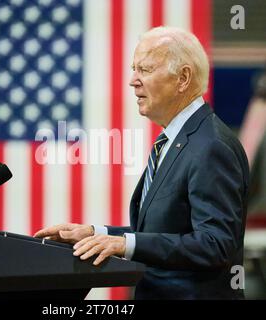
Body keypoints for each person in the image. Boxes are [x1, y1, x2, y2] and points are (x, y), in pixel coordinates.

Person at [34, 26, 249, 300]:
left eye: (145, 70)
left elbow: (215, 244)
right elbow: (164, 233)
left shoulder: (210, 146)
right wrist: (94, 233)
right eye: (134, 69)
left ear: (183, 78)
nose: (133, 80)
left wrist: (124, 244)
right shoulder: (177, 139)